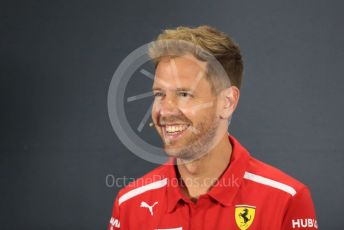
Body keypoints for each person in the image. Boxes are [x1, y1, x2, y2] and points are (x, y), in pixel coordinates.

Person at [108, 25, 318, 230]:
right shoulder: (130, 204)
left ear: (227, 102)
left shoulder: (286, 200)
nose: (165, 110)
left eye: (184, 94)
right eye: (159, 94)